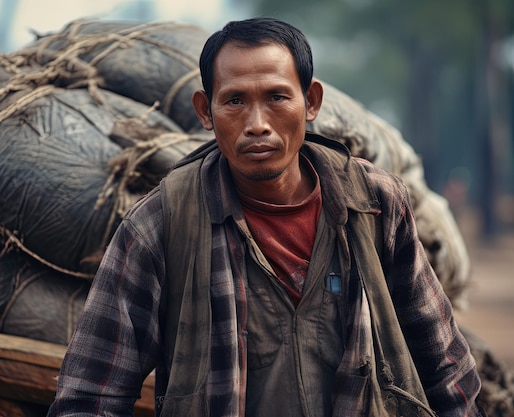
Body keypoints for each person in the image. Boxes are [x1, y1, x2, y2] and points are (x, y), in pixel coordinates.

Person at [47, 17, 483, 417]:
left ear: (310, 102)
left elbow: (446, 369)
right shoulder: (160, 226)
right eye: (234, 100)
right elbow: (90, 396)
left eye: (277, 97)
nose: (257, 123)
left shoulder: (373, 204)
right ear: (205, 111)